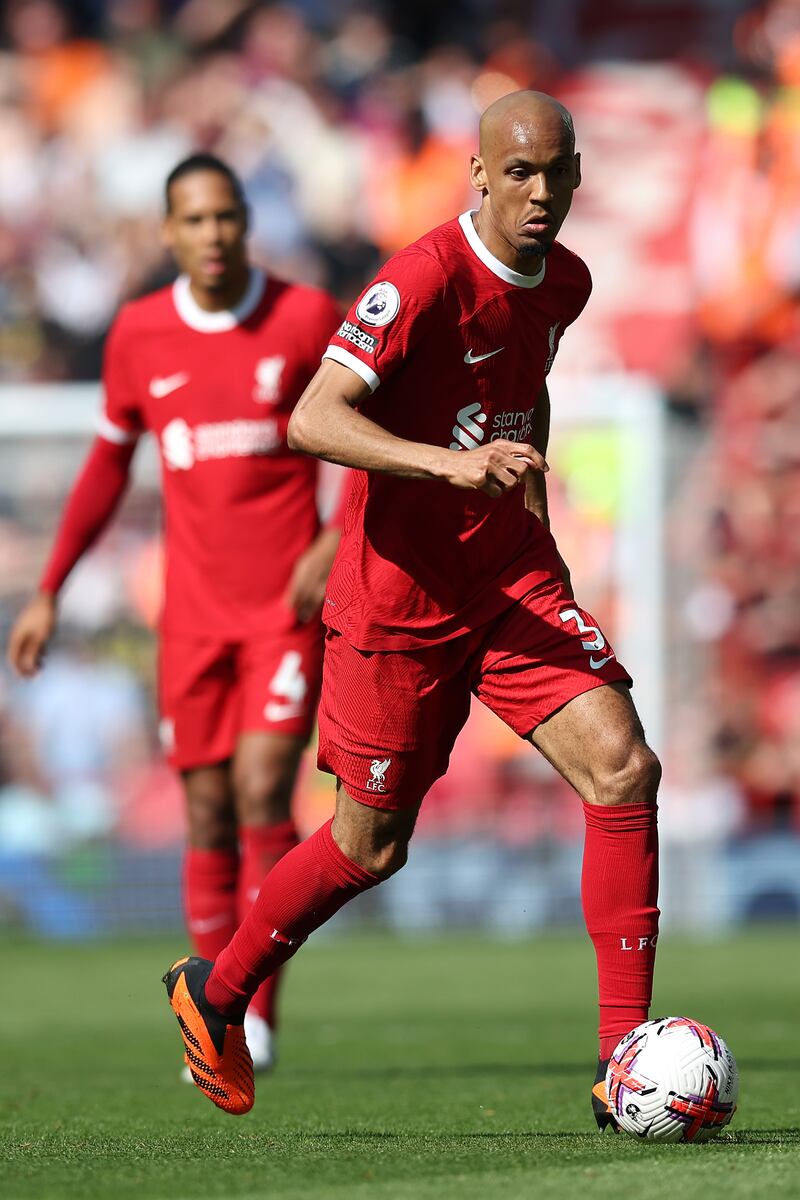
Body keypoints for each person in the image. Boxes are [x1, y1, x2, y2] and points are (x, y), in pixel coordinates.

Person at [161, 93, 661, 1129]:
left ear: (576, 176)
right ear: (476, 173)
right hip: (399, 600)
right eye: (515, 173)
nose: (538, 193)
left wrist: (532, 520)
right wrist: (452, 466)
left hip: (507, 575)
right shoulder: (421, 278)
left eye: (555, 173)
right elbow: (311, 417)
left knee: (623, 765)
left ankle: (626, 1065)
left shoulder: (562, 281)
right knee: (369, 847)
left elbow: (529, 393)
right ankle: (214, 993)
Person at [7, 153, 345, 1075]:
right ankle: (210, 1007)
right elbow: (108, 465)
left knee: (262, 793)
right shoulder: (139, 336)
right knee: (203, 812)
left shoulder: (307, 317)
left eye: (226, 217)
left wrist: (334, 536)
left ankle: (251, 1008)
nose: (212, 235)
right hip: (191, 616)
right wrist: (49, 589)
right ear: (167, 233)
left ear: (247, 223)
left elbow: (366, 436)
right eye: (193, 220)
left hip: (283, 608)